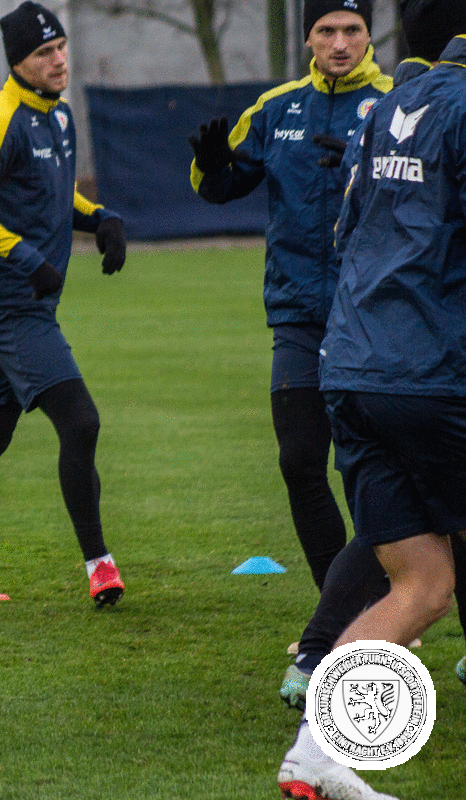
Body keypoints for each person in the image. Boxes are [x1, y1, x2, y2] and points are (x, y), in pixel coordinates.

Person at [277, 3, 466, 798]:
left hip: (353, 367)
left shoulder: (386, 106)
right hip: (433, 373)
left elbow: (346, 231)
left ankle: (315, 756)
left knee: (422, 583)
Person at [0, 1, 128, 606]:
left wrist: (99, 217)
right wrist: (25, 257)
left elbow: (52, 195)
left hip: (33, 303)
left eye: (60, 47)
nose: (58, 60)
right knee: (81, 421)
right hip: (9, 306)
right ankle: (101, 566)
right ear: (17, 62)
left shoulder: (57, 115)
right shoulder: (0, 120)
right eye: (43, 53)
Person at [189, 0, 390, 600]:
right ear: (308, 38)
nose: (340, 43)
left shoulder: (398, 103)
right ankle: (344, 608)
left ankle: (397, 597)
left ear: (369, 35)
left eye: (352, 30)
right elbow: (221, 187)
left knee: (371, 471)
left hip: (375, 314)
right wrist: (210, 166)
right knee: (299, 461)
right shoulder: (276, 109)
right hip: (299, 313)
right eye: (326, 30)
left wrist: (363, 166)